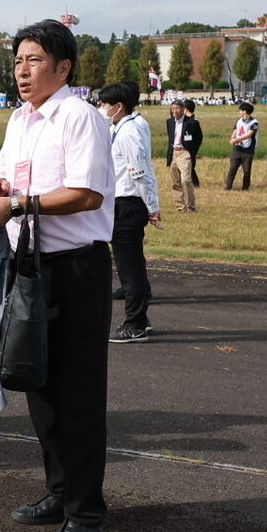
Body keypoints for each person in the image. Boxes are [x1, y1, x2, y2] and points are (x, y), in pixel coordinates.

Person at [0, 20, 114, 532]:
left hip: (76, 268)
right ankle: (60, 492)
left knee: (78, 394)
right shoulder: (20, 120)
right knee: (36, 382)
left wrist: (17, 204)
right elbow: (4, 180)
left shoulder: (79, 117)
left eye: (33, 60)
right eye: (18, 60)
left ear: (63, 68)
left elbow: (85, 194)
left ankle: (87, 516)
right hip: (30, 264)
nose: (21, 70)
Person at [98, 82, 160, 344]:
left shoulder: (128, 132)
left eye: (104, 104)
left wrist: (152, 206)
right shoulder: (121, 127)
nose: (101, 109)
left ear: (118, 106)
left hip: (127, 203)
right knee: (131, 264)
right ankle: (140, 319)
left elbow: (139, 172)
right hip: (121, 202)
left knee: (129, 267)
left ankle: (134, 323)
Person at [165, 100, 201, 212]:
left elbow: (198, 138)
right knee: (175, 181)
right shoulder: (170, 122)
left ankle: (191, 206)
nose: (174, 111)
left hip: (185, 152)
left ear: (183, 109)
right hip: (173, 152)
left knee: (186, 180)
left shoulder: (192, 123)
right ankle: (180, 206)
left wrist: (191, 151)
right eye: (172, 109)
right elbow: (170, 138)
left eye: (177, 108)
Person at [225, 102, 259, 190]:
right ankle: (228, 187)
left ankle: (245, 188)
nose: (239, 112)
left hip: (248, 150)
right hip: (237, 149)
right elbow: (235, 131)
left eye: (241, 110)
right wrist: (233, 139)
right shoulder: (238, 121)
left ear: (245, 111)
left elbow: (249, 135)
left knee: (247, 170)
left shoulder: (254, 123)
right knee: (232, 168)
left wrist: (237, 140)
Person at [183, 99, 202, 188]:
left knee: (189, 167)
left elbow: (199, 137)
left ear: (185, 109)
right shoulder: (184, 120)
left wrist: (193, 149)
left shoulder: (194, 122)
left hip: (190, 148)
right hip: (184, 148)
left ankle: (195, 184)